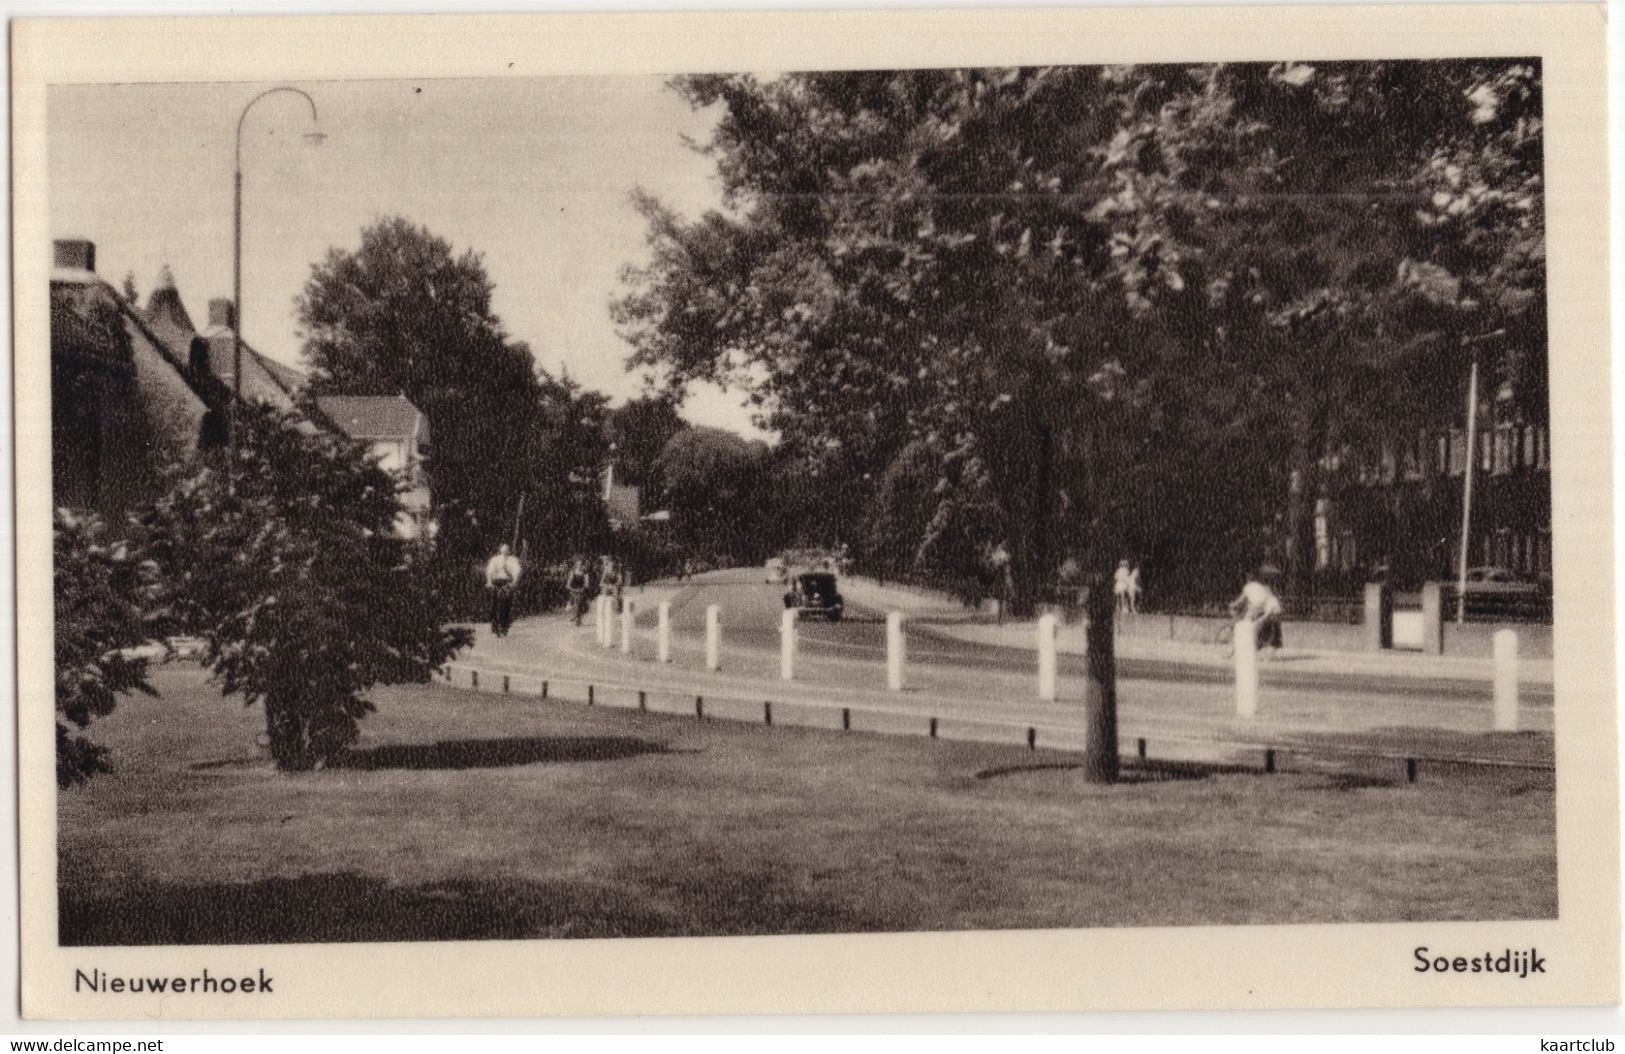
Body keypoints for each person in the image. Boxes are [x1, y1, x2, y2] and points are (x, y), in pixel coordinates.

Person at [1229, 570, 1284, 653]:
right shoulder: (1260, 586)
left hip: (1255, 607)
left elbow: (1241, 600)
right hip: (1263, 607)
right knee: (1253, 623)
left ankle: (1244, 644)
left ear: (1247, 579)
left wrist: (1233, 605)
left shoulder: (1247, 587)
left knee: (1246, 624)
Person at [484, 543, 522, 637]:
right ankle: (495, 628)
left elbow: (517, 571)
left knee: (506, 605)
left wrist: (514, 582)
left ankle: (504, 627)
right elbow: (490, 571)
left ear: (509, 551)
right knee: (494, 605)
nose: (505, 552)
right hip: (496, 582)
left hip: (507, 583)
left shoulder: (513, 560)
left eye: (507, 550)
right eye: (503, 550)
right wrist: (489, 581)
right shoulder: (495, 560)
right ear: (500, 550)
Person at [564, 558, 592, 626]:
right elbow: (568, 584)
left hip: (582, 591)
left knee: (585, 606)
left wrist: (582, 589)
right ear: (575, 565)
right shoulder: (572, 572)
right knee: (575, 602)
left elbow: (586, 584)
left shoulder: (585, 573)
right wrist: (573, 590)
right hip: (573, 591)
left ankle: (577, 617)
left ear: (582, 565)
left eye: (580, 564)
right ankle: (576, 617)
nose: (579, 566)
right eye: (578, 564)